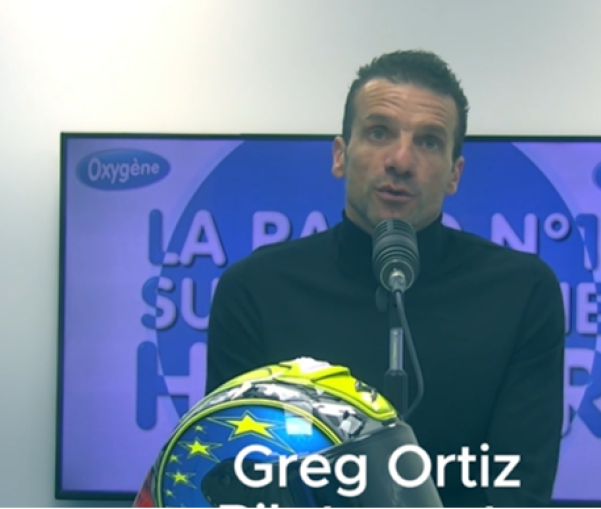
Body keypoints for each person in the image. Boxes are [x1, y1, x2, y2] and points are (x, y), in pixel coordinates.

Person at [205, 49, 565, 508]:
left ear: (454, 175)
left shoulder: (521, 293)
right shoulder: (255, 290)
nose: (400, 160)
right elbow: (235, 481)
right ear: (340, 155)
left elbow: (519, 490)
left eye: (429, 142)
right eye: (379, 133)